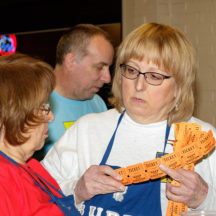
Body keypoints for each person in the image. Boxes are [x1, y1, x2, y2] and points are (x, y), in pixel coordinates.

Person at [41, 22, 216, 215]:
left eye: (154, 76)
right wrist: (77, 190)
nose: (139, 85)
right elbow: (35, 193)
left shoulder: (201, 138)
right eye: (132, 71)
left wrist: (204, 198)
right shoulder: (87, 129)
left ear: (179, 86)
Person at [0, 53, 79, 215]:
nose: (51, 117)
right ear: (16, 113)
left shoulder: (31, 167)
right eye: (43, 107)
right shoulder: (3, 180)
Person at [34, 24, 114, 161]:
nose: (107, 78)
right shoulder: (33, 103)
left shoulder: (97, 103)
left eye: (108, 68)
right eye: (99, 67)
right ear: (71, 61)